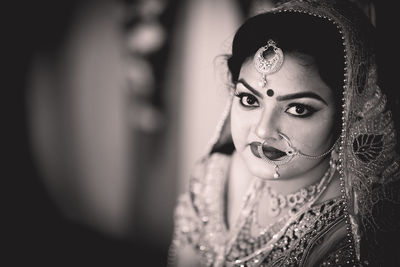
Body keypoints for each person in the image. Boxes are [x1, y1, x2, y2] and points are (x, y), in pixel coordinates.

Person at [168, 0, 400, 266]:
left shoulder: (350, 233)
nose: (263, 129)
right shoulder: (211, 178)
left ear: (347, 116)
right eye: (249, 100)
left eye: (298, 108)